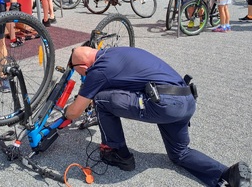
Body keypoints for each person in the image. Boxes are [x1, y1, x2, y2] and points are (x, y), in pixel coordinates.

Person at [63, 46, 251, 187]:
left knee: (101, 100)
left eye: (77, 70)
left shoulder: (98, 70)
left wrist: (65, 111)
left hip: (165, 104)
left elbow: (75, 112)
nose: (80, 74)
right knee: (179, 154)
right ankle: (229, 174)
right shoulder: (116, 52)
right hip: (186, 99)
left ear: (83, 65)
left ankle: (118, 154)